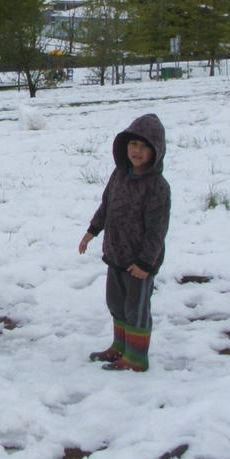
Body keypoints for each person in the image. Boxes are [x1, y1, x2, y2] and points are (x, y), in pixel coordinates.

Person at [78, 112, 170, 372]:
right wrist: (92, 231)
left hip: (139, 263)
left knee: (136, 309)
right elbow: (106, 206)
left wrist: (145, 262)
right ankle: (120, 347)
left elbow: (157, 230)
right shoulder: (119, 175)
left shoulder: (157, 187)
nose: (136, 151)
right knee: (116, 304)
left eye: (143, 146)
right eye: (132, 144)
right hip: (116, 255)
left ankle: (137, 357)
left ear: (156, 150)